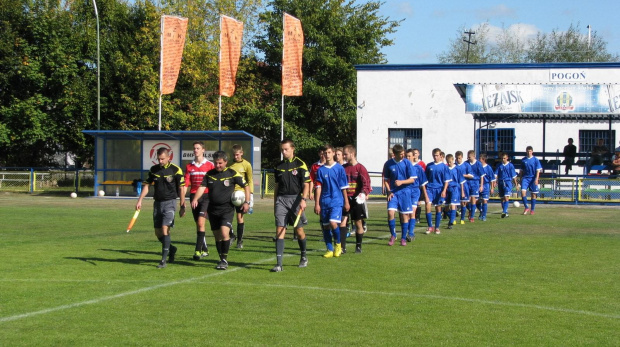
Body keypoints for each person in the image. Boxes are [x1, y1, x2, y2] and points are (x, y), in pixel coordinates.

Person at [191, 151, 250, 270]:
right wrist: (195, 199)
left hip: (227, 209)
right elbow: (202, 187)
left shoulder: (232, 173)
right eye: (216, 163)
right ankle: (221, 258)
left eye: (220, 163)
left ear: (226, 162)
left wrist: (247, 202)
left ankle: (224, 259)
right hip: (212, 209)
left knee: (224, 233)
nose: (218, 165)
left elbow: (246, 186)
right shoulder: (209, 174)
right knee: (217, 237)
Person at [136, 147, 186, 269]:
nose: (160, 161)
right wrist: (140, 200)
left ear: (169, 157)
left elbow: (181, 188)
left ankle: (163, 260)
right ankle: (172, 248)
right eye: (158, 159)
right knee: (158, 233)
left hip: (170, 202)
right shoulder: (154, 170)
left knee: (165, 229)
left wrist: (182, 205)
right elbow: (147, 186)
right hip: (157, 203)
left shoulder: (176, 170)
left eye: (162, 159)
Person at [272, 139, 311, 272]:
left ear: (292, 149)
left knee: (299, 231)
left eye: (286, 149)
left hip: (295, 200)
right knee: (279, 230)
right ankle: (279, 264)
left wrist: (303, 199)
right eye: (282, 150)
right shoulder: (278, 166)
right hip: (281, 201)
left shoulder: (300, 164)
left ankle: (304, 256)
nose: (284, 152)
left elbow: (306, 183)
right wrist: (275, 203)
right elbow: (277, 186)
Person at [315, 145, 350, 257]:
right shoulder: (321, 170)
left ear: (333, 153)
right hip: (325, 202)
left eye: (329, 152)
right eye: (325, 153)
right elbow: (318, 187)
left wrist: (346, 201)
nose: (327, 155)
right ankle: (329, 249)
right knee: (325, 226)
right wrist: (317, 203)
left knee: (333, 223)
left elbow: (344, 187)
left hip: (337, 200)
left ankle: (338, 244)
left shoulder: (339, 169)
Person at [183, 141, 214, 261]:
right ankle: (204, 248)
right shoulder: (189, 166)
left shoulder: (210, 165)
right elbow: (186, 184)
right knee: (198, 224)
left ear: (203, 150)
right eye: (194, 148)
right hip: (193, 197)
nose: (195, 150)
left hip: (206, 196)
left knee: (201, 223)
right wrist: (182, 200)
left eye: (198, 148)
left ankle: (197, 250)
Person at [383, 144, 416, 246]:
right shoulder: (388, 164)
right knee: (390, 213)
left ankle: (403, 238)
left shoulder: (407, 163)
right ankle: (393, 235)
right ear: (395, 154)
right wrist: (388, 191)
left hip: (405, 192)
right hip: (393, 193)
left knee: (404, 216)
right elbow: (386, 180)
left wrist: (402, 182)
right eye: (401, 154)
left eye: (403, 153)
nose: (403, 155)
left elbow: (412, 179)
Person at [342, 145, 371, 253]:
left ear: (352, 154)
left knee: (358, 223)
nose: (344, 156)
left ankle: (358, 246)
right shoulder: (343, 168)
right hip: (345, 198)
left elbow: (366, 183)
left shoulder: (360, 168)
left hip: (356, 199)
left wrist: (363, 194)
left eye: (346, 154)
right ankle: (342, 247)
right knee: (343, 221)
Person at [228, 144, 253, 249]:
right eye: (234, 155)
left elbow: (250, 180)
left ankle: (239, 241)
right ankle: (231, 235)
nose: (236, 157)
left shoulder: (247, 165)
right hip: (230, 194)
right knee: (227, 217)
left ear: (241, 153)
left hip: (241, 195)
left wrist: (250, 195)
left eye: (237, 154)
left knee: (239, 217)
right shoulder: (230, 165)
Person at [424, 149, 450, 234]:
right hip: (429, 188)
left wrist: (444, 190)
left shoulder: (444, 167)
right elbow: (425, 179)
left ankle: (437, 227)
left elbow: (446, 180)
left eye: (437, 155)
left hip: (439, 189)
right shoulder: (429, 166)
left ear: (440, 156)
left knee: (438, 208)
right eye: (434, 155)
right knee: (427, 205)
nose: (435, 157)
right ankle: (430, 226)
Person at [406, 148, 428, 240]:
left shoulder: (419, 168)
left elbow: (423, 183)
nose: (407, 158)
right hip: (406, 191)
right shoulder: (404, 166)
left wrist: (425, 195)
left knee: (412, 212)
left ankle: (411, 233)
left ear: (414, 156)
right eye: (406, 156)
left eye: (409, 156)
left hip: (415, 191)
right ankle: (406, 231)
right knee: (406, 213)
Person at [519, 146, 542, 215]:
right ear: (526, 151)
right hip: (525, 178)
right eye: (528, 151)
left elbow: (538, 170)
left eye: (530, 151)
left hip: (533, 178)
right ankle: (526, 207)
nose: (529, 152)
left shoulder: (535, 160)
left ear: (532, 151)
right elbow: (521, 171)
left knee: (533, 194)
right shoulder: (523, 160)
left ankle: (532, 209)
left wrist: (536, 179)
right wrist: (520, 179)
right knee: (523, 192)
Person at [494, 153, 518, 218]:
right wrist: (495, 182)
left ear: (507, 158)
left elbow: (514, 176)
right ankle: (506, 212)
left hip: (507, 182)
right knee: (502, 198)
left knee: (506, 197)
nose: (503, 159)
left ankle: (504, 212)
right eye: (502, 158)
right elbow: (496, 174)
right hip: (500, 182)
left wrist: (516, 184)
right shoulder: (499, 165)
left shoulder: (510, 165)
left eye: (504, 158)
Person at [464, 150, 484, 223]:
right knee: (465, 200)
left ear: (474, 156)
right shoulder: (466, 163)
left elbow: (482, 175)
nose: (468, 158)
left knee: (473, 199)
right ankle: (470, 210)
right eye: (468, 157)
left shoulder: (478, 164)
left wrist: (481, 185)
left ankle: (472, 216)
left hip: (475, 183)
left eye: (470, 157)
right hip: (467, 182)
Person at [445, 154, 464, 229]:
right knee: (446, 208)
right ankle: (452, 217)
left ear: (453, 160)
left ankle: (451, 222)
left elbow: (461, 181)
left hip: (455, 188)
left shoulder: (457, 169)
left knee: (453, 205)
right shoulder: (445, 169)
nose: (449, 163)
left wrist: (462, 191)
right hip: (447, 189)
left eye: (450, 162)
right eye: (448, 162)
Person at [478, 153, 496, 221]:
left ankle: (484, 216)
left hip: (485, 185)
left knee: (484, 200)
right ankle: (481, 210)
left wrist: (492, 188)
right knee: (476, 201)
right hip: (478, 185)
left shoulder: (488, 168)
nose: (478, 159)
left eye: (480, 158)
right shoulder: (478, 167)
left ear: (483, 159)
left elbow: (492, 179)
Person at [455, 151, 470, 225]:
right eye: (457, 158)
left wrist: (463, 175)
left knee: (464, 203)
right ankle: (454, 218)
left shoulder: (466, 165)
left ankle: (462, 219)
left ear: (462, 157)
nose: (458, 160)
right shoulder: (454, 166)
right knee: (455, 203)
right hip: (456, 186)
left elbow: (471, 175)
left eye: (459, 158)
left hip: (464, 186)